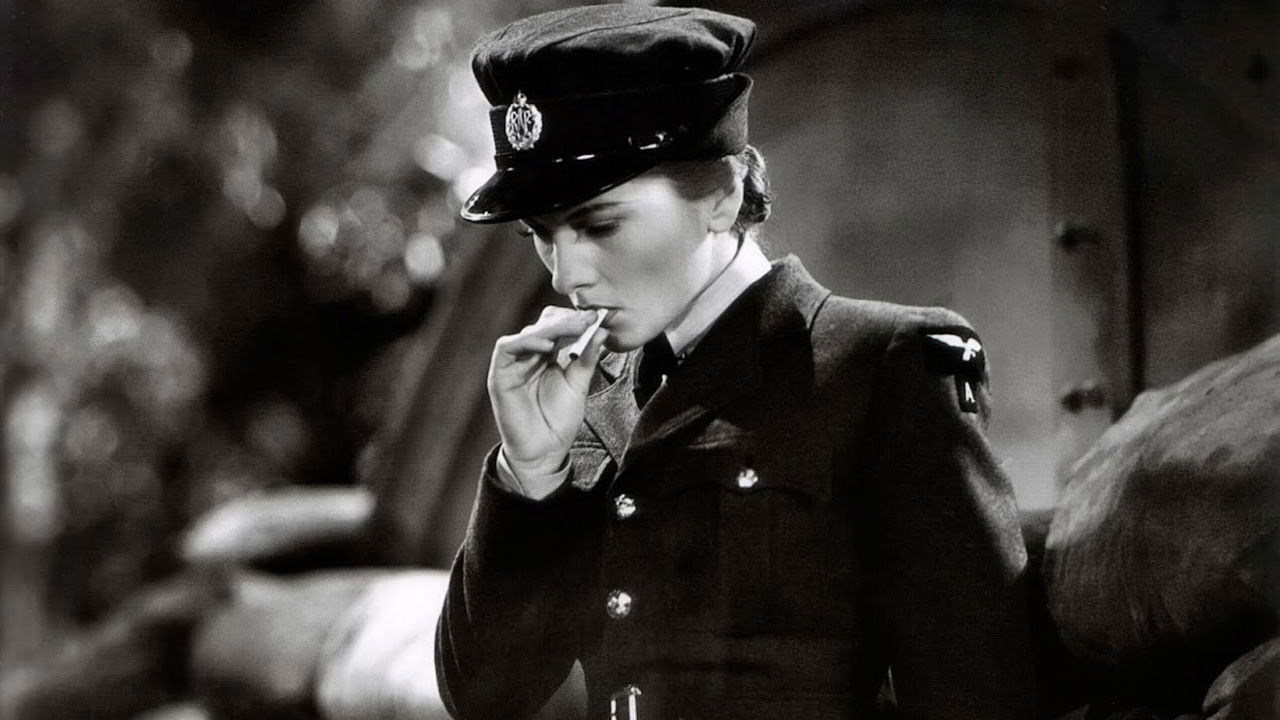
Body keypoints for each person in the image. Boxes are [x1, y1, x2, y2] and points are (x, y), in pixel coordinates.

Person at [435, 5, 1035, 719]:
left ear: (722, 196)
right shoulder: (586, 405)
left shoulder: (881, 370)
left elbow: (980, 694)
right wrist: (530, 473)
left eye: (600, 225)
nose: (566, 275)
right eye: (542, 234)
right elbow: (485, 697)